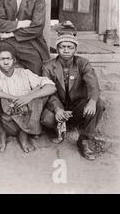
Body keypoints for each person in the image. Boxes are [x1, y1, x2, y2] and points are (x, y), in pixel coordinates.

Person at [41, 22, 105, 160]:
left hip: (76, 108)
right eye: (62, 47)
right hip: (58, 108)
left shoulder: (83, 63)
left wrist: (92, 101)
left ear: (75, 49)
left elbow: (93, 84)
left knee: (99, 104)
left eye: (70, 47)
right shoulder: (48, 66)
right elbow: (48, 91)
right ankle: (57, 129)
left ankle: (84, 140)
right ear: (57, 48)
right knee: (46, 119)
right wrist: (58, 109)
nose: (66, 50)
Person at [0, 42, 56, 153]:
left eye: (8, 59)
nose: (6, 62)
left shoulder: (25, 73)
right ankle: (1, 134)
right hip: (4, 121)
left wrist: (28, 97)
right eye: (2, 59)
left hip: (26, 117)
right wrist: (11, 97)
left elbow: (51, 87)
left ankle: (24, 135)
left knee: (40, 93)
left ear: (14, 60)